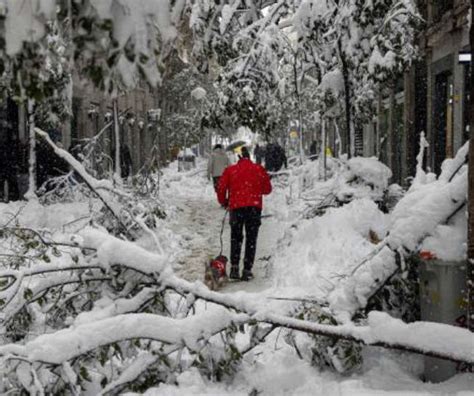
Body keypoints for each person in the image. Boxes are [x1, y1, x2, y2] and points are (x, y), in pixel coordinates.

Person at [217, 146, 272, 281]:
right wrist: (255, 189)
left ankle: (234, 267)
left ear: (239, 159)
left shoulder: (231, 170)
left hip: (236, 208)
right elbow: (267, 189)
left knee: (236, 237)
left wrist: (224, 202)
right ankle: (247, 270)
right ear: (250, 158)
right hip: (254, 208)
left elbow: (221, 188)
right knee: (251, 239)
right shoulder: (258, 169)